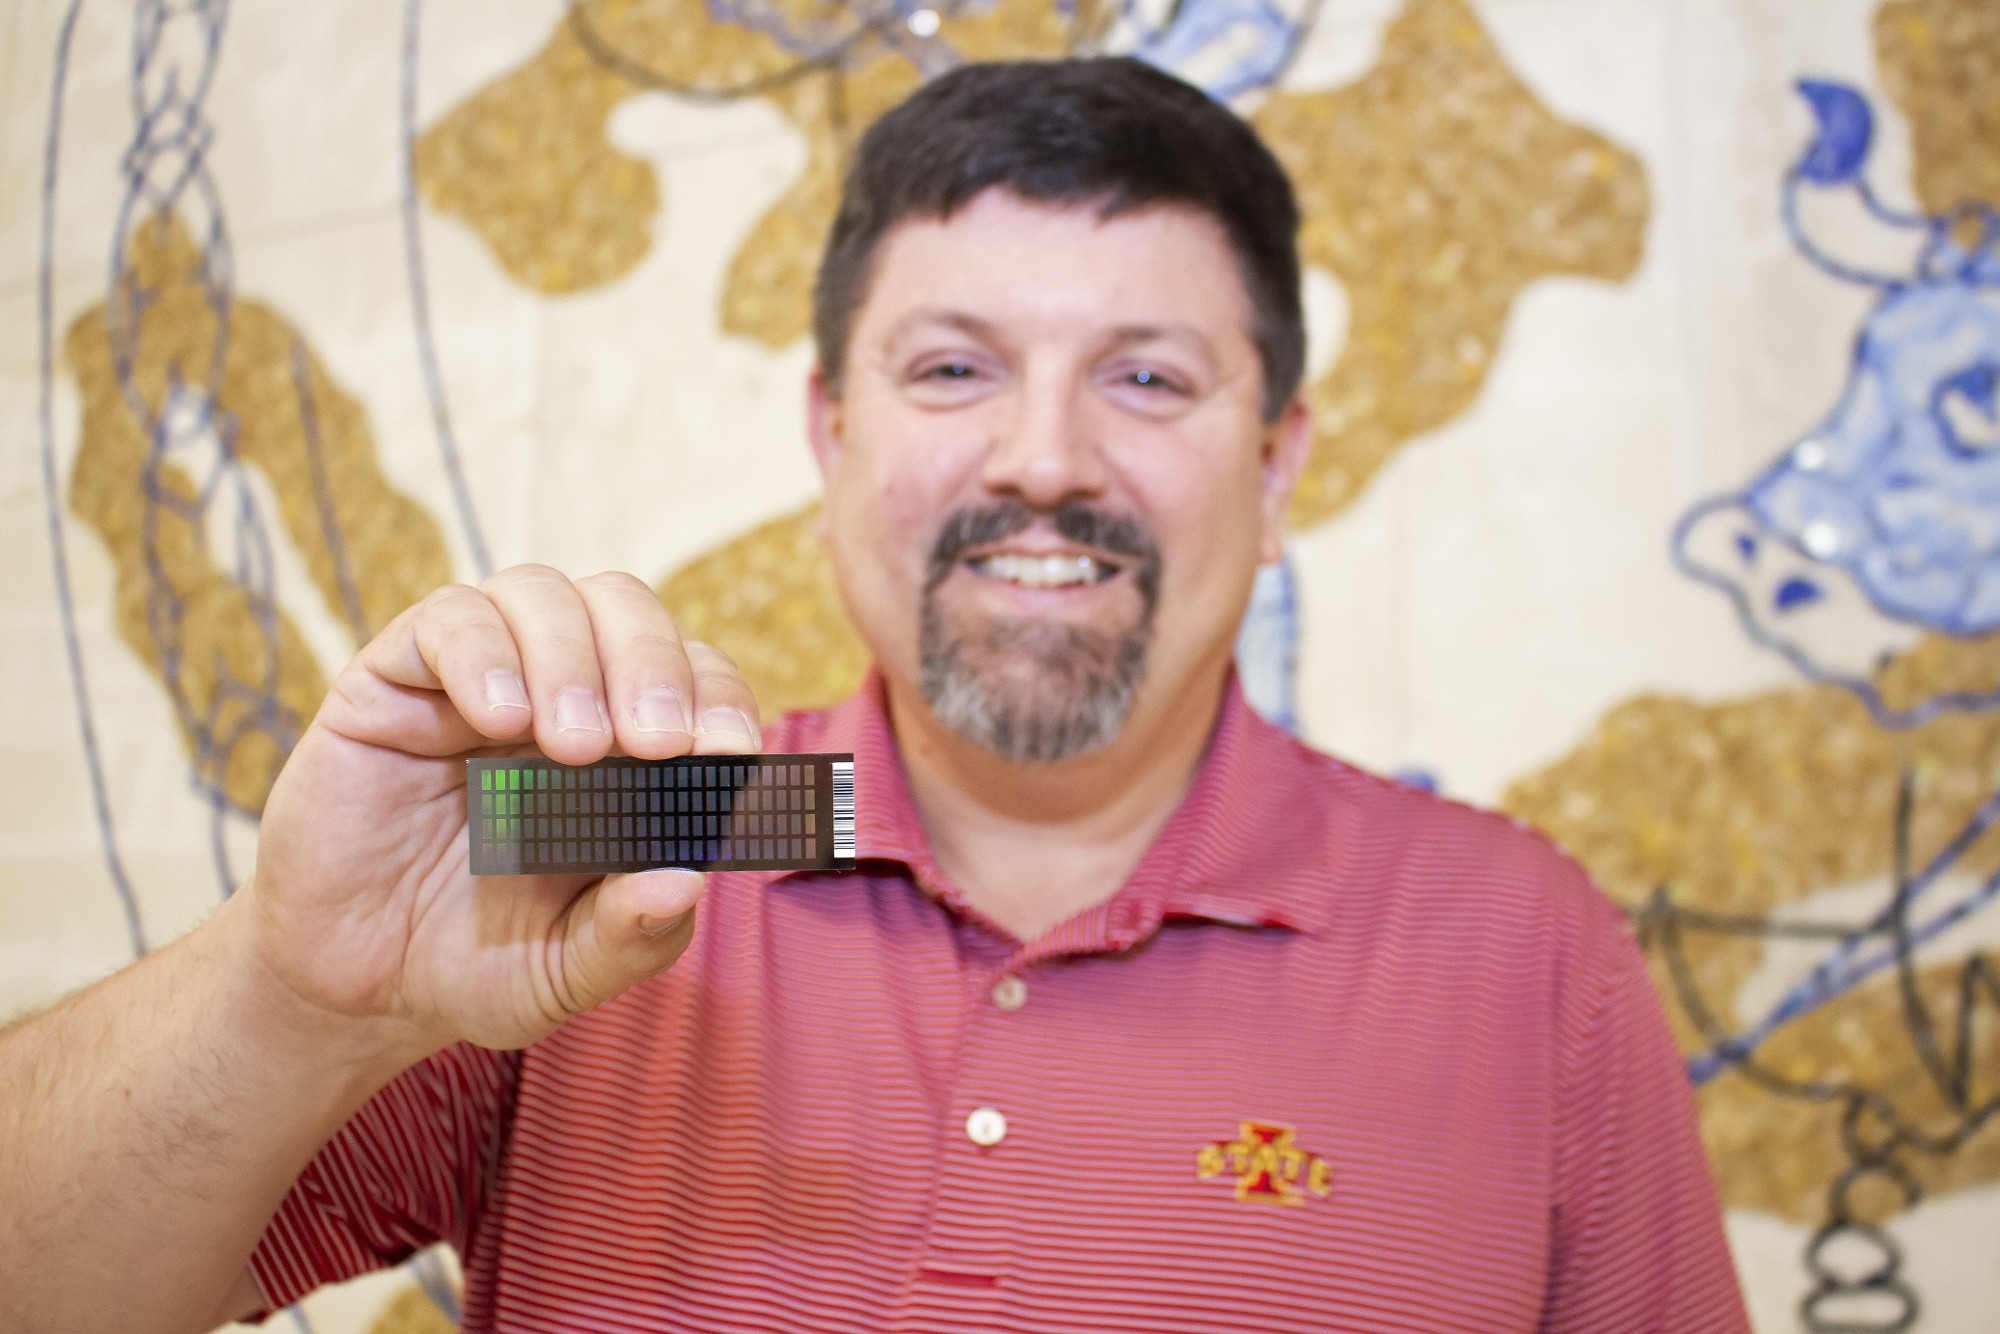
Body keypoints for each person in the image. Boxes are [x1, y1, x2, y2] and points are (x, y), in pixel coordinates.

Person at [0, 58, 1749, 1334]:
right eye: (953, 368)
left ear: (1279, 466)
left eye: (1147, 375)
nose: (1046, 458)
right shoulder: (607, 854)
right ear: (834, 434)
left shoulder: (1529, 952)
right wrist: (288, 987)